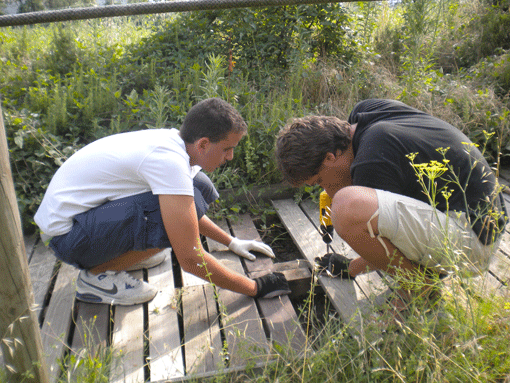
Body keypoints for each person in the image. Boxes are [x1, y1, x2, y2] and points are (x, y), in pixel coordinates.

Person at [35, 97, 290, 306]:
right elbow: (189, 258)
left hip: (79, 223)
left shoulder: (175, 145)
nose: (231, 157)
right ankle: (95, 277)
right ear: (203, 143)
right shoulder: (168, 162)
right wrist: (255, 287)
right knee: (173, 227)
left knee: (197, 188)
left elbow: (187, 211)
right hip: (68, 240)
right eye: (227, 149)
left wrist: (231, 242)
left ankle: (121, 256)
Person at [275, 98, 507, 302]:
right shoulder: (367, 114)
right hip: (483, 218)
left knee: (346, 207)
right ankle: (423, 277)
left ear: (330, 156)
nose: (324, 189)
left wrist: (351, 267)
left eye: (318, 181)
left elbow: (390, 242)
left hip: (473, 244)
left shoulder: (371, 161)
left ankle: (420, 288)